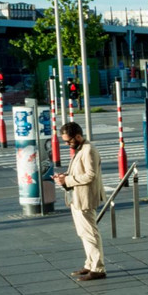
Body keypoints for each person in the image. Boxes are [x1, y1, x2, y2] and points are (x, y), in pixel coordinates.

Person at [52, 121, 105, 282]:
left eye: (69, 141)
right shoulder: (80, 149)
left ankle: (97, 268)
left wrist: (67, 180)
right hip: (78, 197)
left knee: (90, 234)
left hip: (85, 198)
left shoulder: (88, 150)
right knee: (83, 233)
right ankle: (90, 264)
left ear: (78, 136)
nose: (67, 144)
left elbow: (90, 175)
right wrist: (64, 176)